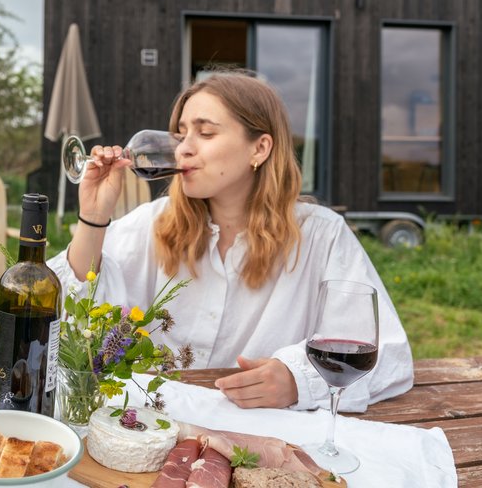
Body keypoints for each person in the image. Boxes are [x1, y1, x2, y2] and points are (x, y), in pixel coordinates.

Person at [48, 72, 413, 412]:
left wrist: (299, 381)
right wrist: (93, 218)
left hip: (259, 439)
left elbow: (389, 356)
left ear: (260, 148)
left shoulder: (321, 235)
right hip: (153, 423)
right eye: (180, 134)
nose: (183, 149)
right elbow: (67, 311)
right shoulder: (155, 221)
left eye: (205, 134)